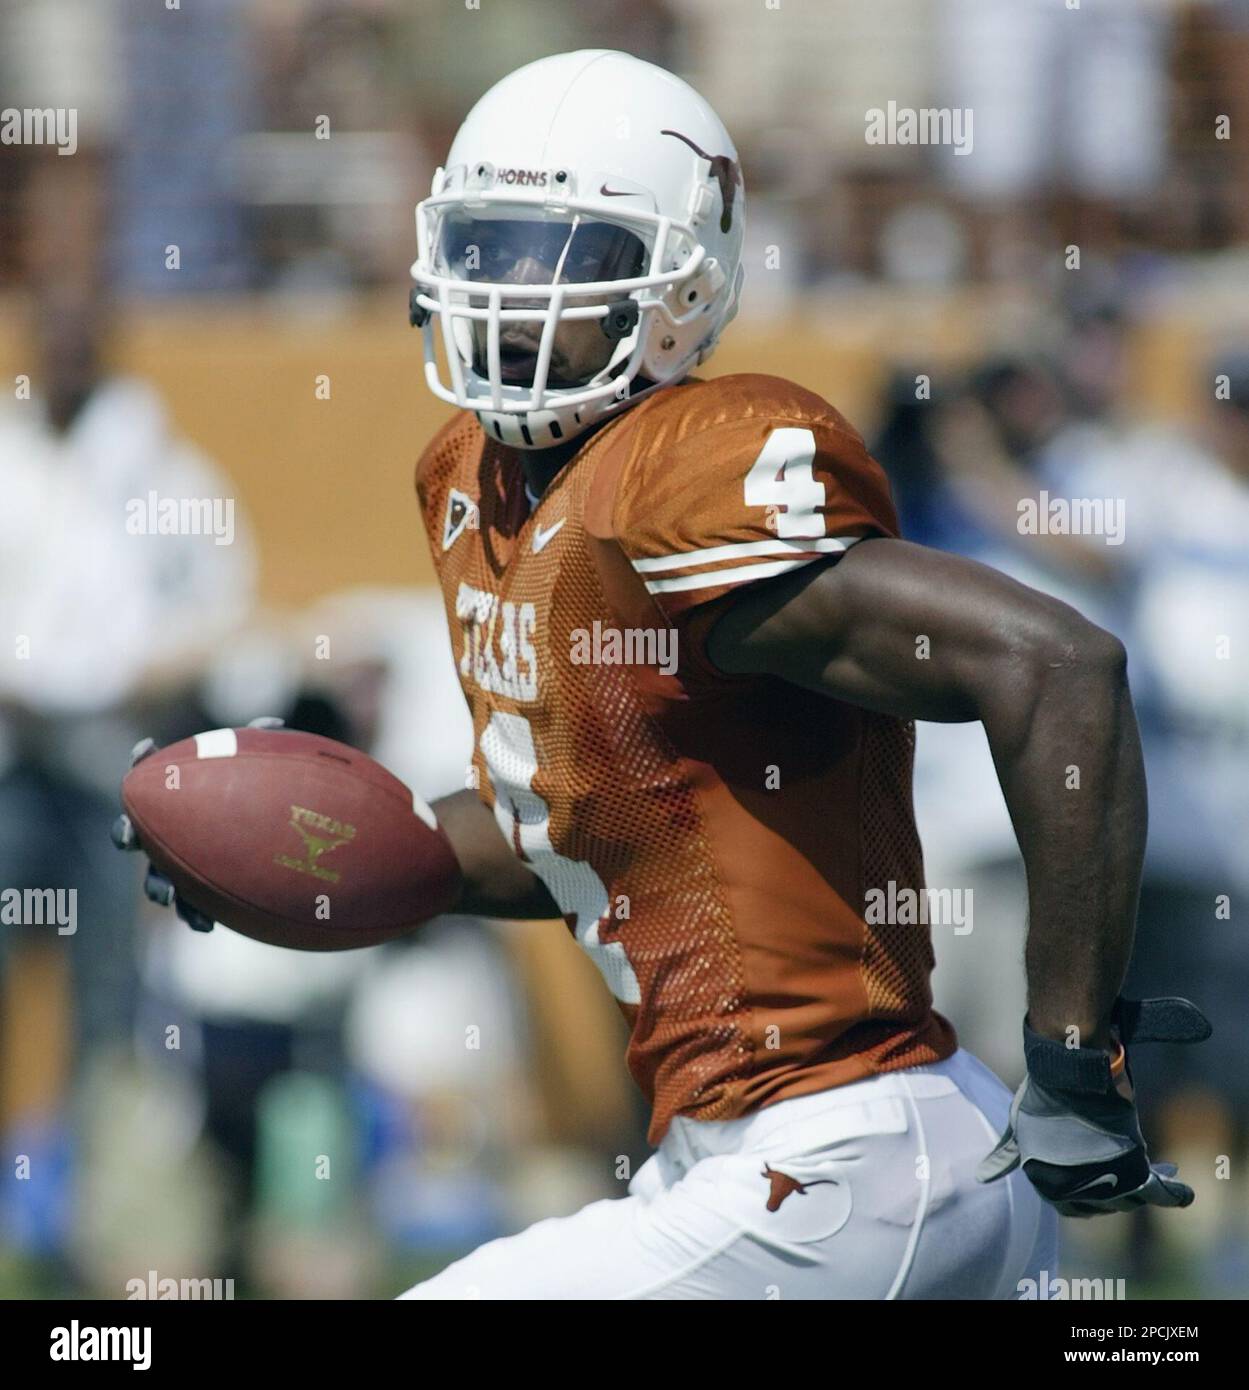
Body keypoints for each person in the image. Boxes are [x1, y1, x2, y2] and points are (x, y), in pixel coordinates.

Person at [125, 50, 1208, 1300]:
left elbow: (1059, 665)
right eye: (487, 249)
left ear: (680, 283)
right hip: (767, 1161)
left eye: (561, 259)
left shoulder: (688, 468)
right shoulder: (471, 487)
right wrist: (314, 861)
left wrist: (1072, 1054)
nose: (509, 296)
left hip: (844, 1155)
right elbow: (576, 835)